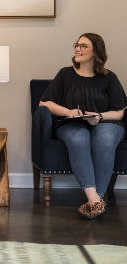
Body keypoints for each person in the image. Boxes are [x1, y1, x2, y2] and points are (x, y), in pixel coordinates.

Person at [40, 33, 126, 219]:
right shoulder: (65, 74)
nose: (77, 48)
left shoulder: (109, 78)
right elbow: (44, 103)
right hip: (71, 123)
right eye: (77, 45)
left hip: (106, 122)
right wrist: (68, 112)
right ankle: (94, 199)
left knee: (103, 137)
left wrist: (100, 116)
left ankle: (95, 200)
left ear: (96, 51)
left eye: (83, 46)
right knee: (79, 137)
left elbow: (120, 111)